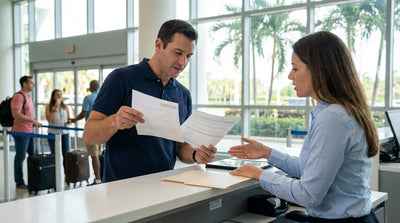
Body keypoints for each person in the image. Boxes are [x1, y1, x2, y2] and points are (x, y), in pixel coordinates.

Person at [229, 31, 380, 223]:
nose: (290, 76)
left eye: (295, 68)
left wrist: (260, 175)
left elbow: (309, 194)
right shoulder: (336, 111)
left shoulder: (332, 118)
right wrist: (267, 152)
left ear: (318, 70)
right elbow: (309, 169)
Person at [83, 19, 217, 182]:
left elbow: (180, 146)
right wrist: (115, 122)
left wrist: (196, 155)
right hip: (120, 189)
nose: (183, 63)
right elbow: (89, 136)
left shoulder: (183, 94)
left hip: (163, 186)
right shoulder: (121, 79)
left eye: (188, 56)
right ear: (159, 44)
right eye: (178, 53)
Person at [11, 76, 42, 190]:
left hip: (29, 131)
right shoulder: (18, 97)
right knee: (20, 156)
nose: (33, 85)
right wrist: (32, 121)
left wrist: (34, 121)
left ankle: (36, 180)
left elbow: (28, 113)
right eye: (31, 83)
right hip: (21, 132)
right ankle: (19, 182)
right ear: (24, 84)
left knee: (35, 155)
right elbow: (16, 114)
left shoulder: (27, 97)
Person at [70, 80, 103, 185]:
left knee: (94, 156)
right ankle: (101, 177)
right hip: (102, 128)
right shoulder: (103, 96)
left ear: (90, 87)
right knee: (99, 154)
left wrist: (73, 120)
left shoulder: (88, 98)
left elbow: (84, 113)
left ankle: (97, 179)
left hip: (92, 128)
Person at [45, 89, 71, 168]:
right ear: (53, 97)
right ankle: (54, 172)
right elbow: (49, 119)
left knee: (66, 154)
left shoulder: (65, 106)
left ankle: (67, 174)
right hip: (53, 133)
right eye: (57, 95)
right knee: (54, 154)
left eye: (61, 95)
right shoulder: (49, 107)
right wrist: (55, 108)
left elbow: (68, 119)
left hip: (64, 133)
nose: (60, 96)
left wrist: (69, 122)